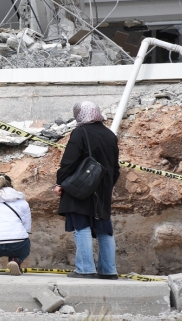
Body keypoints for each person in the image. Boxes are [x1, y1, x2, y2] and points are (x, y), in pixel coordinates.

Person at [54, 101, 120, 279]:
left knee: (81, 227)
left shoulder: (80, 132)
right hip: (103, 190)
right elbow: (115, 168)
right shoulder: (110, 135)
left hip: (80, 188)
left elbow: (69, 161)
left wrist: (60, 182)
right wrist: (106, 186)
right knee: (104, 228)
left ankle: (85, 269)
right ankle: (108, 270)